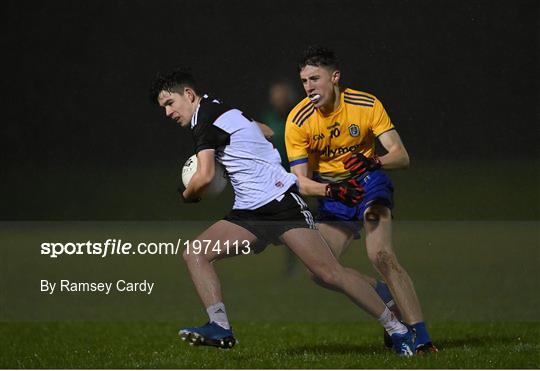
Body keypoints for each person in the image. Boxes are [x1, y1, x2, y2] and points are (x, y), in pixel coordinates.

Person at [150, 67, 416, 356]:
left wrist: (188, 194)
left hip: (280, 205)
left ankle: (398, 329)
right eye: (163, 107)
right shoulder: (219, 109)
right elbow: (263, 129)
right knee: (195, 252)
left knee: (328, 273)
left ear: (188, 94)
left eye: (169, 104)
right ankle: (220, 326)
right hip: (249, 213)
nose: (167, 113)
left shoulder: (205, 122)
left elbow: (202, 177)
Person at [284, 46, 438, 354]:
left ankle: (421, 339)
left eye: (315, 78)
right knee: (320, 271)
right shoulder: (298, 120)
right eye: (304, 81)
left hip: (369, 184)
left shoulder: (365, 104)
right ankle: (387, 298)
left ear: (335, 77)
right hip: (334, 196)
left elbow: (401, 156)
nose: (309, 87)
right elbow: (300, 182)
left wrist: (375, 162)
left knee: (380, 255)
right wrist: (330, 191)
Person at [260, 80, 300, 275]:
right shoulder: (268, 118)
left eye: (282, 97)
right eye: (275, 98)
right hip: (279, 174)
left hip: (300, 171)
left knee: (305, 214)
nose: (278, 101)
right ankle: (291, 261)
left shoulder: (299, 116)